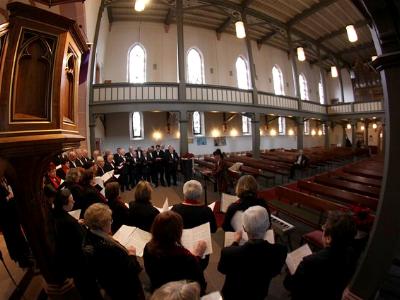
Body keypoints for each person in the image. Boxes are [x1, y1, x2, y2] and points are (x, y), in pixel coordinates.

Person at [284, 211, 358, 300]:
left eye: (324, 228)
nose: (322, 230)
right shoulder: (352, 254)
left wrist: (291, 271)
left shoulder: (310, 261)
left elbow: (289, 285)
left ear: (328, 238)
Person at [218, 206, 287, 300]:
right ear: (268, 226)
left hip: (233, 294)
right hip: (258, 293)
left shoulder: (229, 252)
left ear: (244, 228)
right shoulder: (280, 250)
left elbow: (222, 269)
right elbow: (274, 272)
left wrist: (235, 243)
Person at [82, 203, 145, 300]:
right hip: (124, 288)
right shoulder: (108, 249)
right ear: (103, 226)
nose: (111, 222)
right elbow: (131, 270)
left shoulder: (89, 235)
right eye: (110, 221)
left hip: (108, 283)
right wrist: (132, 255)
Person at [52, 189, 101, 299]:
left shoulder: (57, 214)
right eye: (71, 201)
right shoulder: (67, 222)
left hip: (74, 263)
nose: (74, 202)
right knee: (91, 292)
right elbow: (81, 243)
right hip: (80, 265)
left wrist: (77, 223)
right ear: (64, 204)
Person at [143, 211, 207, 294]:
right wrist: (197, 256)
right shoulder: (187, 259)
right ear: (178, 232)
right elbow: (199, 285)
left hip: (158, 291)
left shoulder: (148, 248)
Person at [171, 180, 217, 269]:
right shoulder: (207, 210)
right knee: (199, 268)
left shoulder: (176, 209)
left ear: (184, 193)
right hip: (201, 249)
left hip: (180, 248)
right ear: (200, 195)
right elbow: (214, 229)